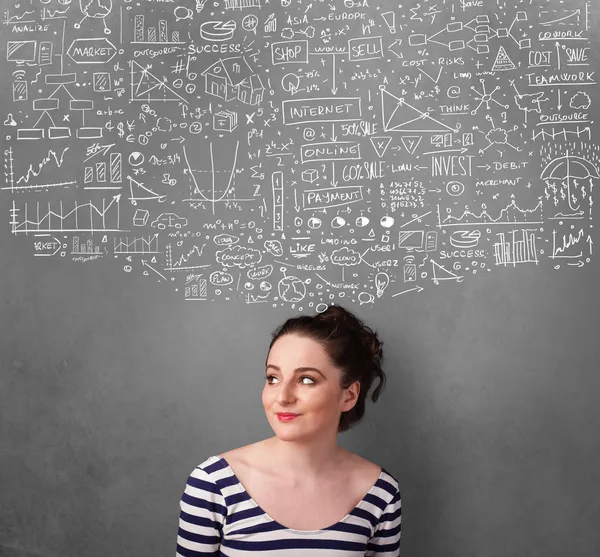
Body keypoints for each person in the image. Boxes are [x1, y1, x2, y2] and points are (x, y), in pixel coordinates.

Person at [175, 304, 401, 555]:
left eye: (306, 379)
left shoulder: (380, 493)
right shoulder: (213, 484)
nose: (283, 396)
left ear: (348, 396)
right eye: (273, 378)